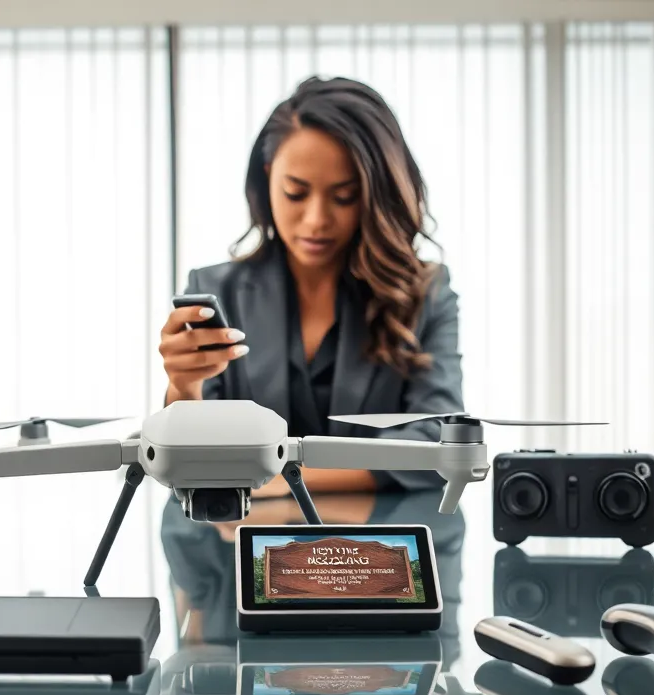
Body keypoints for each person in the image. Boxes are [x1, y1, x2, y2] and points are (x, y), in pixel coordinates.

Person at [158, 76, 463, 496]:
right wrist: (183, 386)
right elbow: (192, 465)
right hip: (235, 547)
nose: (317, 220)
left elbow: (438, 444)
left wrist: (290, 483)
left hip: (377, 546)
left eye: (344, 197)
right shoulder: (217, 290)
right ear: (268, 178)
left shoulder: (426, 293)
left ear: (374, 196)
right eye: (296, 193)